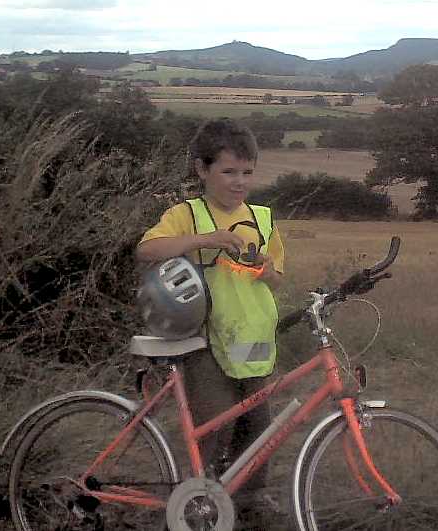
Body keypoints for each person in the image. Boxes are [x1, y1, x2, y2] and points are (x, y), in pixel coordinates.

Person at [136, 118, 284, 527]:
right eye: (229, 171)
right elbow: (147, 249)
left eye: (247, 172)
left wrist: (265, 268)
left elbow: (276, 277)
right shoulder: (188, 214)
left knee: (257, 422)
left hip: (252, 334)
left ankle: (249, 497)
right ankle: (195, 501)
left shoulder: (262, 218)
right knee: (215, 422)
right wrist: (205, 240)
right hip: (202, 339)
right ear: (202, 170)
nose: (239, 182)